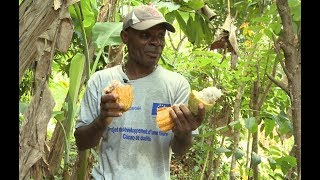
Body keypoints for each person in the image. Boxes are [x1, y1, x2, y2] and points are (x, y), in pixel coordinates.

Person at [74, 4, 205, 179]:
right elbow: (82, 142)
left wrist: (185, 132)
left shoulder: (176, 84)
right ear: (125, 37)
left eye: (160, 36)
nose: (156, 43)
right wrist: (102, 120)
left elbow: (180, 150)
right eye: (145, 35)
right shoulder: (101, 81)